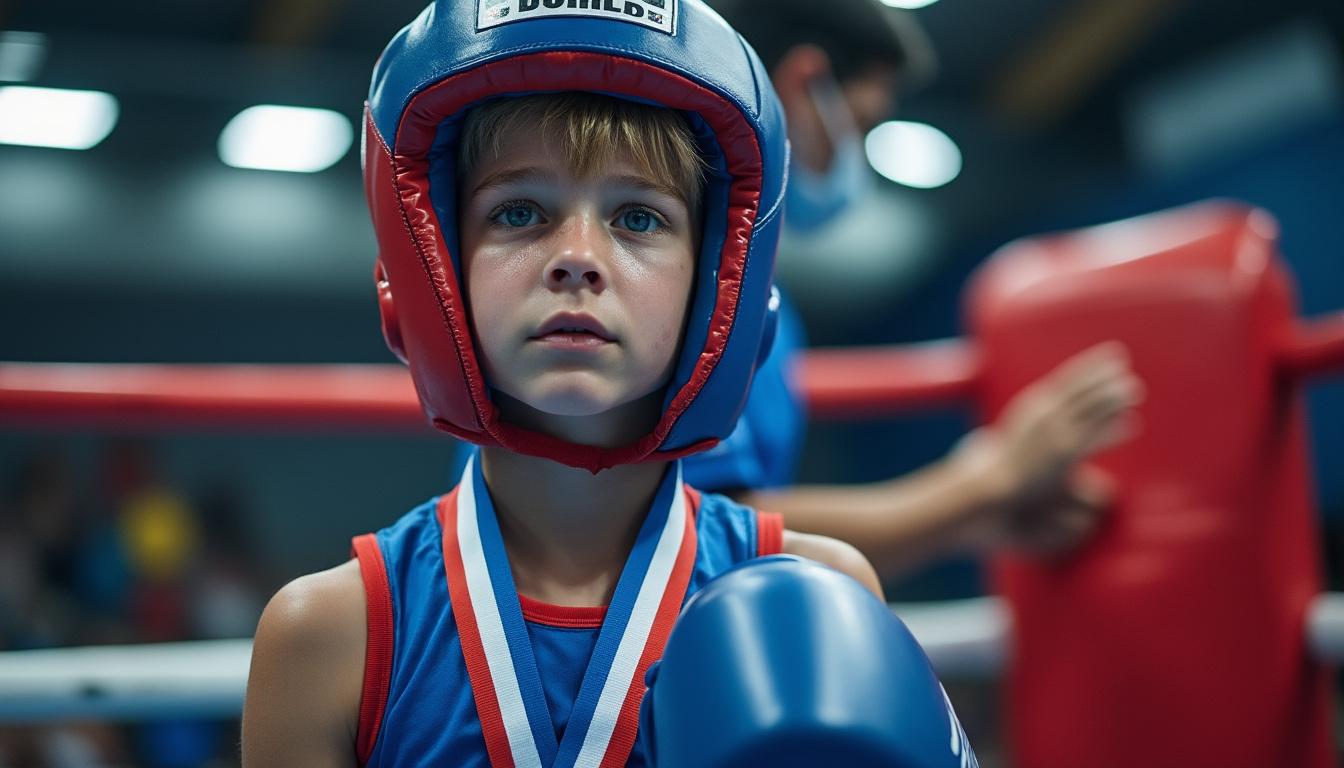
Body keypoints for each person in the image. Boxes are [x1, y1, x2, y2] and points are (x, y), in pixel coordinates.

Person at [240, 2, 937, 765]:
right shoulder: (327, 637)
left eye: (638, 218)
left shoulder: (822, 600)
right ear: (435, 264)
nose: (576, 257)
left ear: (717, 284)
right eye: (519, 212)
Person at [687, 0, 1144, 579]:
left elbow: (737, 544)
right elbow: (708, 533)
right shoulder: (702, 288)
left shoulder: (751, 292)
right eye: (863, 125)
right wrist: (982, 481)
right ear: (806, 84)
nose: (853, 159)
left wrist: (961, 517)